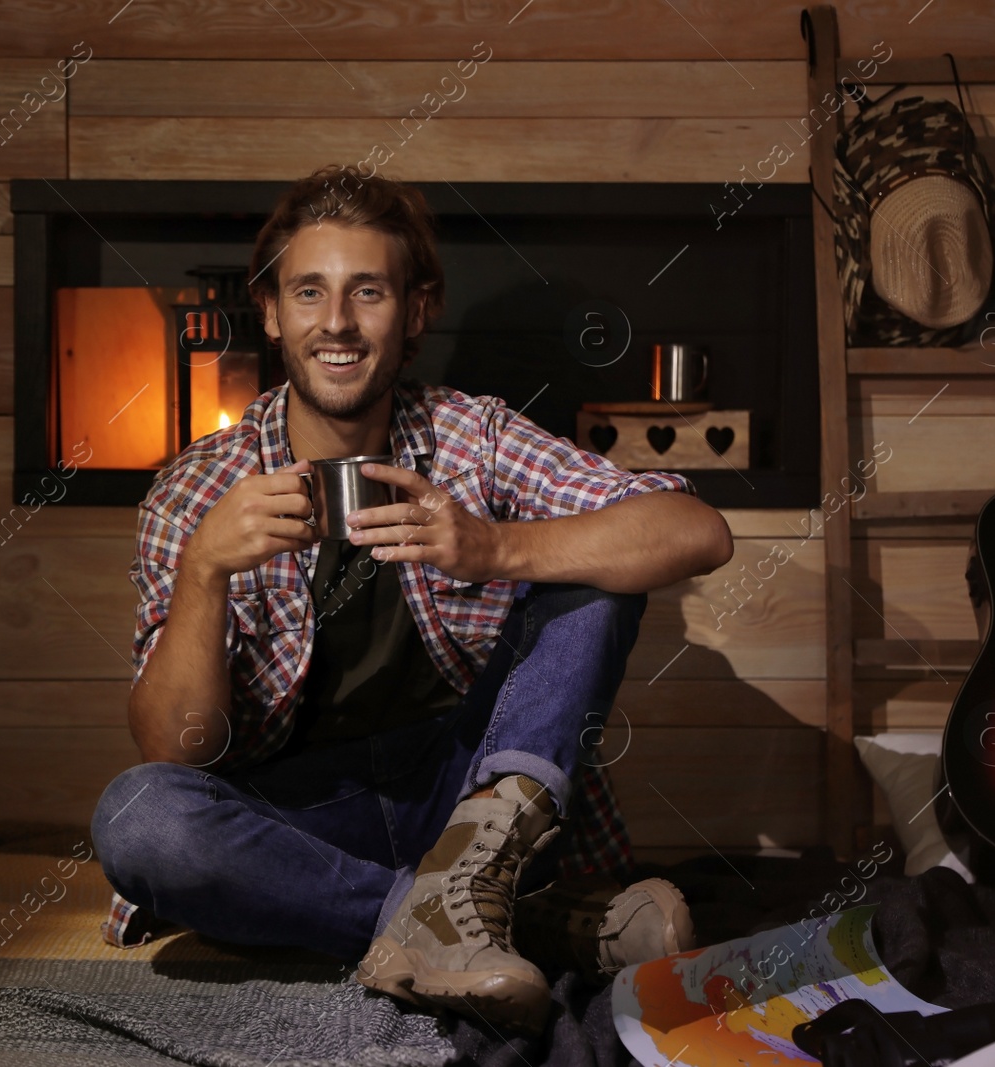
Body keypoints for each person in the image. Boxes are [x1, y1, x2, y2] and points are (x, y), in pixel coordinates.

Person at [91, 163, 734, 1033]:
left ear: (418, 310)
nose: (339, 324)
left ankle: (470, 888)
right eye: (310, 292)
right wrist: (204, 572)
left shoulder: (474, 434)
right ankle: (509, 923)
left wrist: (497, 545)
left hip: (469, 799)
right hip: (302, 827)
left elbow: (695, 530)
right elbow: (175, 749)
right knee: (137, 815)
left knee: (595, 567)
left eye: (369, 292)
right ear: (273, 312)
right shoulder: (197, 490)